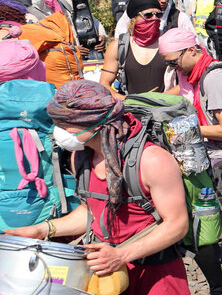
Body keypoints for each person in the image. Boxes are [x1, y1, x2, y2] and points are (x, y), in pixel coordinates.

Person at [5, 80, 190, 294]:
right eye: (56, 124)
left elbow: (177, 224)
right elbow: (91, 211)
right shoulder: (80, 157)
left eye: (65, 125)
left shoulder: (152, 160)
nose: (58, 132)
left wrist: (121, 255)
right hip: (105, 273)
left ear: (93, 122)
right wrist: (43, 229)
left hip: (156, 275)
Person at [157, 29, 222, 295]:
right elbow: (173, 93)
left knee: (207, 228)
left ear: (192, 50)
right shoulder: (190, 75)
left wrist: (181, 126)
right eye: (168, 63)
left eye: (174, 61)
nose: (173, 67)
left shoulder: (215, 79)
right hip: (203, 159)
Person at [100, 0, 168, 99]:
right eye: (148, 15)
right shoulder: (118, 47)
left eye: (158, 15)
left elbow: (184, 83)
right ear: (134, 18)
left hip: (165, 108)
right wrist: (129, 101)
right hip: (130, 111)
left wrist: (157, 100)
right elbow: (104, 85)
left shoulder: (170, 42)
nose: (154, 19)